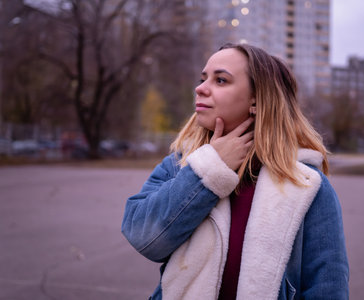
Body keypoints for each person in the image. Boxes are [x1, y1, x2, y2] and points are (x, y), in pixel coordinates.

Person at [121, 43, 349, 300]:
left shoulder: (306, 186)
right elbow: (144, 238)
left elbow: (327, 289)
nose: (200, 88)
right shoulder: (180, 165)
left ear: (257, 98)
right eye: (202, 78)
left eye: (220, 80)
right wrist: (210, 169)